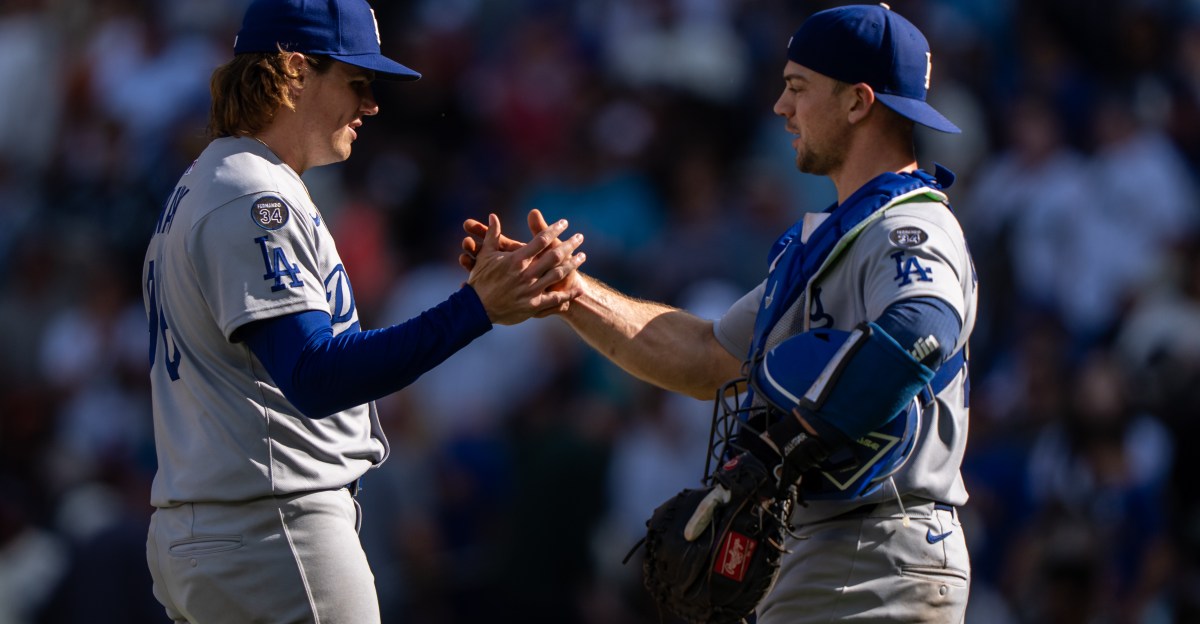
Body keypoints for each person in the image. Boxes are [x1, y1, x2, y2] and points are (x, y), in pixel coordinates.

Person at [463, 4, 976, 622]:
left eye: (797, 88)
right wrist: (570, 292)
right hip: (835, 551)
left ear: (857, 102)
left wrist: (787, 443)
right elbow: (708, 357)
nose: (782, 108)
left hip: (876, 549)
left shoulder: (909, 224)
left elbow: (924, 331)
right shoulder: (839, 236)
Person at [140, 0, 586, 622]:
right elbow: (317, 376)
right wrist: (475, 309)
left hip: (215, 531)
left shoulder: (209, 182)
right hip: (273, 536)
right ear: (295, 71)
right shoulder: (252, 194)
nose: (372, 104)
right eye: (356, 81)